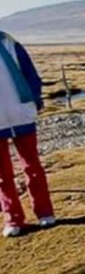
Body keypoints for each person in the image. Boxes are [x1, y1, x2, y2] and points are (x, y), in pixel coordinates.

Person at [0, 30, 56, 237]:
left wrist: (34, 99)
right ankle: (13, 219)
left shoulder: (9, 44)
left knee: (32, 167)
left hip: (22, 114)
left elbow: (30, 74)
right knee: (2, 175)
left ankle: (45, 212)